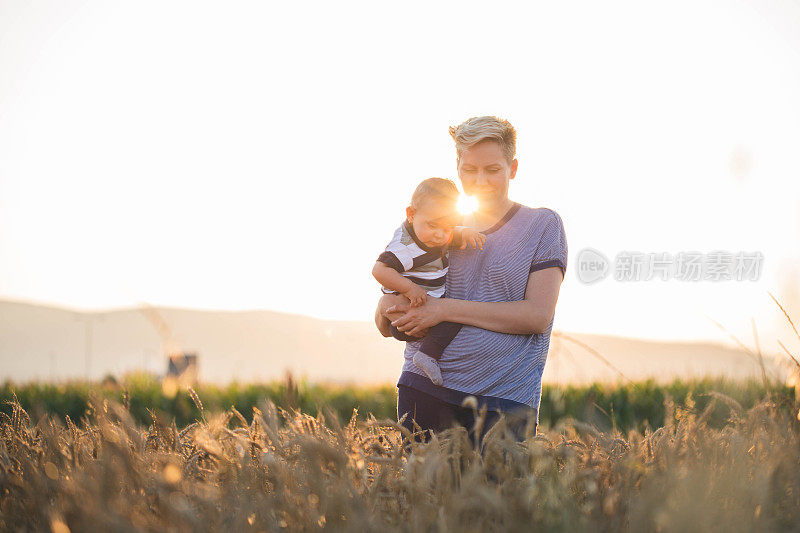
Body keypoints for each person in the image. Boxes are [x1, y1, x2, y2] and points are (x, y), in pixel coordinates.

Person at [374, 116, 567, 445]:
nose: (480, 181)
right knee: (426, 497)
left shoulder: (542, 226)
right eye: (469, 170)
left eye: (492, 170)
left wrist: (443, 310)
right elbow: (386, 316)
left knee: (499, 497)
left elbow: (536, 316)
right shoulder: (435, 225)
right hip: (425, 392)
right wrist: (387, 306)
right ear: (458, 167)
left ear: (513, 167)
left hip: (504, 400)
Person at [372, 178, 486, 385]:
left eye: (448, 227)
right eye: (434, 225)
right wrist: (409, 289)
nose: (440, 235)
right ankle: (427, 355)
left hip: (426, 304)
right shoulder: (404, 247)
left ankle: (426, 354)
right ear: (411, 214)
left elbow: (447, 236)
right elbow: (379, 269)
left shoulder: (431, 234)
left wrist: (464, 233)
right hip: (405, 307)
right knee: (445, 318)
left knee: (455, 312)